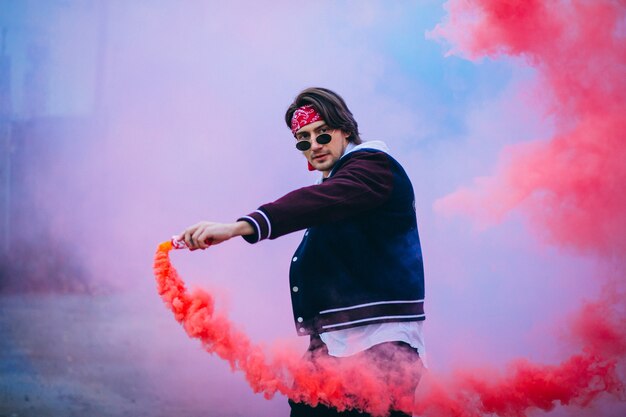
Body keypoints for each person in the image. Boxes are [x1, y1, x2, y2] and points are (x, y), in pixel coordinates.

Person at [180, 87, 426, 416]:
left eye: (322, 135)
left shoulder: (373, 167)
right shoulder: (343, 179)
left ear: (346, 130)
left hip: (380, 343)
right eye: (304, 140)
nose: (314, 146)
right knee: (304, 404)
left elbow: (317, 203)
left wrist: (239, 227)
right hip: (338, 340)